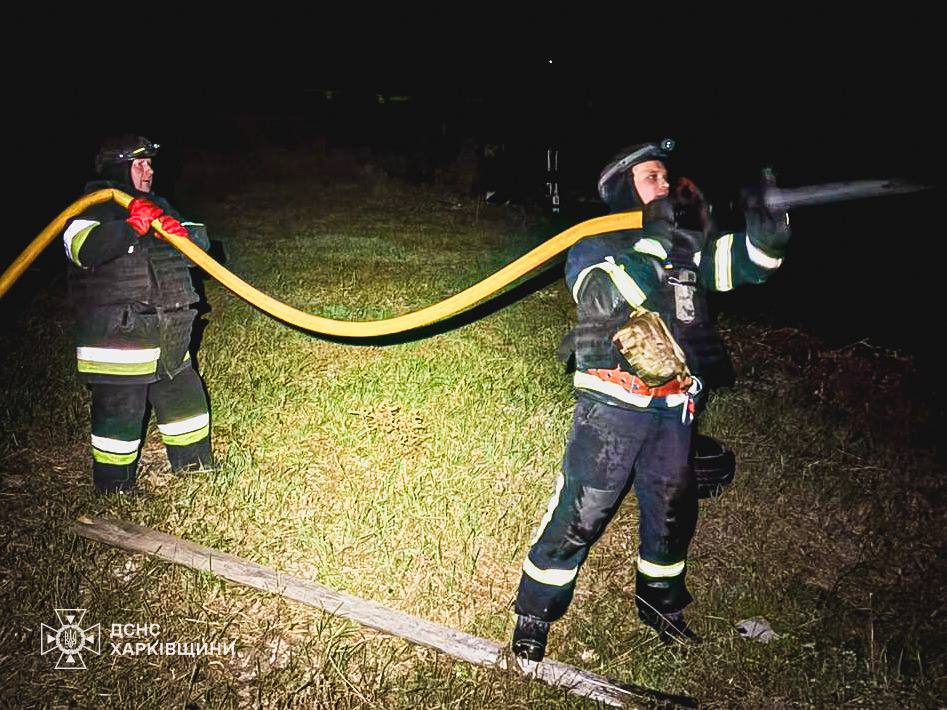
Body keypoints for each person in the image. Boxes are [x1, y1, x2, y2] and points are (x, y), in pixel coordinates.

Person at [510, 138, 791, 660]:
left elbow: (746, 267)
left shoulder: (686, 248)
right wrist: (655, 245)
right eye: (651, 178)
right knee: (584, 508)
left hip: (675, 408)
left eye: (666, 176)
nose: (666, 185)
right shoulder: (597, 244)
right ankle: (535, 611)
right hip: (612, 404)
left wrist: (767, 233)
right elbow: (605, 296)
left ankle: (661, 604)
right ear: (623, 191)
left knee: (671, 511)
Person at [61, 134, 213, 493]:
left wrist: (185, 234)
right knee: (119, 411)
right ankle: (114, 487)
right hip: (118, 335)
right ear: (119, 168)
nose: (150, 170)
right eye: (140, 164)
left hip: (169, 331)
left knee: (184, 399)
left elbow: (202, 250)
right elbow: (81, 247)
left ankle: (195, 469)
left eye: (150, 163)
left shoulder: (158, 206)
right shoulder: (93, 207)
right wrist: (129, 228)